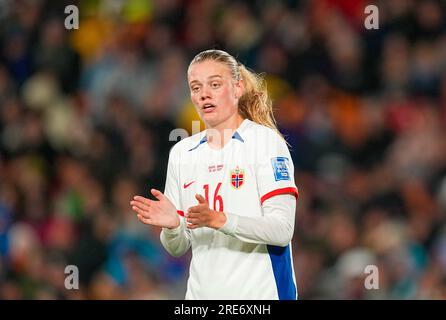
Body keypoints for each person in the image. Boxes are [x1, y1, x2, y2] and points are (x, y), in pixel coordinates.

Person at [130, 49, 299, 300]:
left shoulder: (265, 143)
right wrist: (174, 227)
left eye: (215, 84)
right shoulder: (182, 153)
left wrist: (221, 220)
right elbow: (177, 247)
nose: (204, 94)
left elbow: (282, 229)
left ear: (238, 88)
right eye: (195, 88)